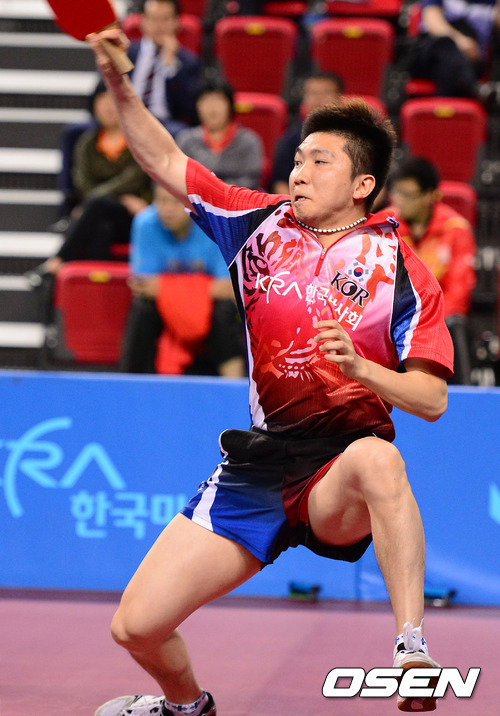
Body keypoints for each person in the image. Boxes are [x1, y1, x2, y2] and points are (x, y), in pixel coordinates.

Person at [88, 26, 454, 716]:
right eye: (297, 158)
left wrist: (363, 369)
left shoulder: (401, 270)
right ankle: (186, 706)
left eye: (319, 161)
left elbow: (432, 399)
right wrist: (117, 81)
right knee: (135, 627)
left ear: (363, 184)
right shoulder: (256, 223)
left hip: (338, 470)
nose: (299, 171)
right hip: (258, 465)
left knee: (379, 460)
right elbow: (163, 158)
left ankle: (411, 650)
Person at [27, 80, 151, 282]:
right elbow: (82, 184)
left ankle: (58, 261)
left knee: (95, 207)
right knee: (101, 228)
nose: (108, 106)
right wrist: (118, 198)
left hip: (131, 216)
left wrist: (95, 202)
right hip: (99, 214)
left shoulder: (138, 141)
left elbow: (133, 179)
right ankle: (99, 292)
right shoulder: (86, 142)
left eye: (113, 100)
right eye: (102, 100)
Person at [120, 183, 246, 377]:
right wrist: (197, 287)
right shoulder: (144, 223)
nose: (167, 209)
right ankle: (130, 381)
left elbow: (229, 288)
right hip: (168, 305)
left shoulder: (216, 225)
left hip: (208, 306)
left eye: (175, 202)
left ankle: (234, 385)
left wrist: (166, 286)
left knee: (224, 311)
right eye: (161, 201)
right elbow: (143, 286)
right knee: (142, 307)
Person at [377, 157, 476, 384]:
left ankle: (460, 393)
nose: (399, 201)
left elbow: (459, 291)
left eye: (408, 194)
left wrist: (425, 324)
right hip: (396, 320)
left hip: (442, 322)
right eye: (396, 192)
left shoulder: (456, 229)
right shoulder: (386, 226)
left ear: (430, 195)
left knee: (457, 325)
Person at [127, 0, 201, 135]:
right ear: (143, 21)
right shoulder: (127, 53)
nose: (159, 26)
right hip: (127, 118)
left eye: (165, 19)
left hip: (165, 123)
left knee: (181, 133)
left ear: (176, 22)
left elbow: (190, 109)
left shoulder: (188, 62)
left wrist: (170, 67)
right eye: (154, 19)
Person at [176, 77, 264, 189]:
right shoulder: (186, 140)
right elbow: (177, 177)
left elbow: (251, 180)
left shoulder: (249, 141)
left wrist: (215, 191)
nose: (212, 108)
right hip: (194, 197)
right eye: (206, 101)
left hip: (236, 197)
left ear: (230, 105)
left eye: (218, 101)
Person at [268, 70, 344, 194]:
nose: (318, 99)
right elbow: (280, 182)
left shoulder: (356, 136)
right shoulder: (291, 137)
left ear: (340, 98)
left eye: (325, 93)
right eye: (312, 93)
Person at [405, 0, 500, 98]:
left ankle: (469, 88)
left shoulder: (491, 3)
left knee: (451, 65)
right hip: (431, 52)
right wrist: (460, 42)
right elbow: (433, 24)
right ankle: (474, 88)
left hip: (472, 58)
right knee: (446, 48)